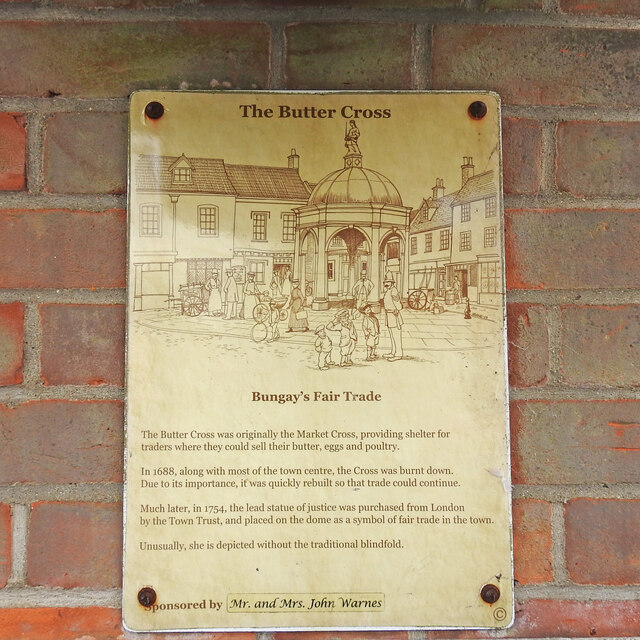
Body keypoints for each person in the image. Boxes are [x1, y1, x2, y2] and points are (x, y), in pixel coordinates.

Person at [382, 275, 403, 361]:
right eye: (385, 282)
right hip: (389, 314)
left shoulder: (394, 291)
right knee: (392, 335)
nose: (386, 284)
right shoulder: (388, 290)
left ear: (392, 283)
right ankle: (393, 352)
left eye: (388, 282)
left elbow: (397, 302)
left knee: (396, 334)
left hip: (394, 314)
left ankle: (398, 354)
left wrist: (397, 309)